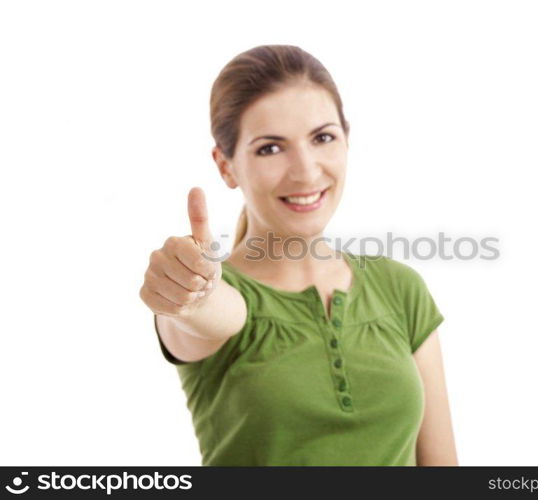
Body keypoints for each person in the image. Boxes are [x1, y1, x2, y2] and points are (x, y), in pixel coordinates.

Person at [139, 44, 458, 466]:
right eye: (270, 148)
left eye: (323, 137)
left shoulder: (400, 289)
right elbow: (212, 313)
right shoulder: (220, 291)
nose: (306, 170)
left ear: (347, 139)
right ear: (226, 166)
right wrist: (192, 294)